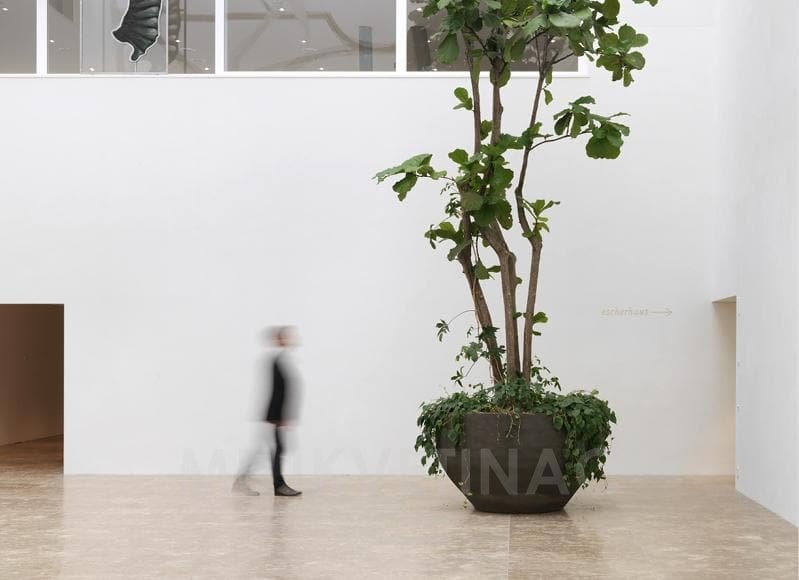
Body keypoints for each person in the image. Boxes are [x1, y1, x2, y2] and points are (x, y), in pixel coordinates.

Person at [233, 326, 302, 497]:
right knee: (275, 450)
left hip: (274, 415)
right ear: (279, 339)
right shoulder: (277, 360)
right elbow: (277, 391)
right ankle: (277, 486)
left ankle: (245, 481)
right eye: (286, 337)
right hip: (274, 416)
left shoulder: (281, 359)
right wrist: (279, 417)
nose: (291, 340)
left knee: (270, 450)